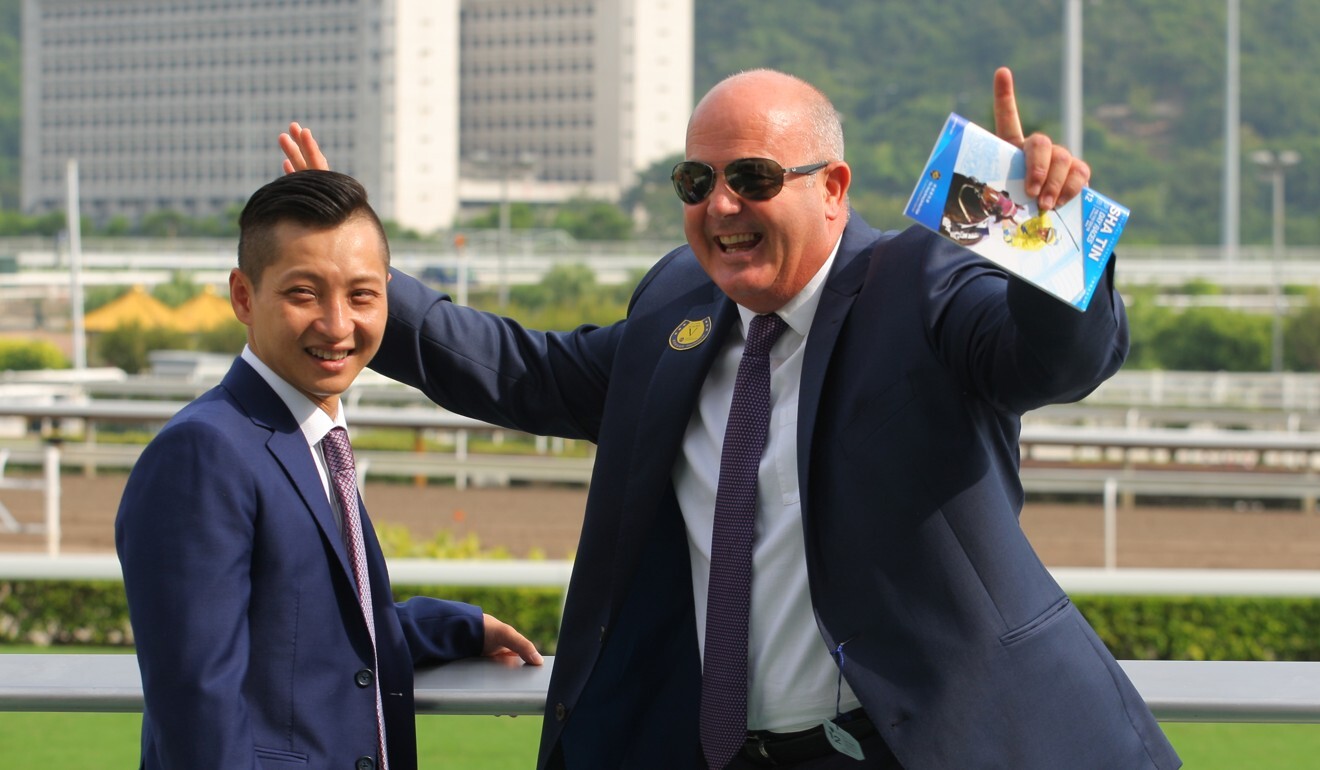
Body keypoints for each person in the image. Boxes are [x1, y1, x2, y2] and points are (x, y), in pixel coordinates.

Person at [281, 68, 1179, 769]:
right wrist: (357, 282)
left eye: (752, 177)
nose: (720, 206)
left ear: (833, 188)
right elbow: (526, 374)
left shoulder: (926, 282)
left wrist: (1050, 238)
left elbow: (1058, 362)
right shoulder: (678, 297)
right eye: (696, 178)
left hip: (916, 747)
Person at [115, 169, 542, 770]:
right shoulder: (202, 453)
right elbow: (198, 702)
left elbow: (298, 629)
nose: (338, 325)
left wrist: (451, 627)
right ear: (243, 296)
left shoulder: (310, 437)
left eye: (361, 295)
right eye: (303, 294)